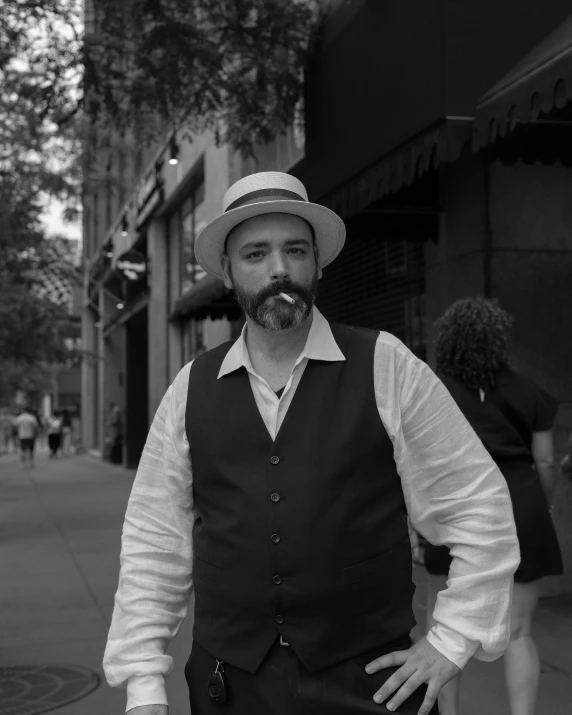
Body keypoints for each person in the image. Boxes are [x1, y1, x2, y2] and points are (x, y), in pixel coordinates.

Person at [103, 172, 520, 715]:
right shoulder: (190, 388)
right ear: (228, 274)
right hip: (231, 687)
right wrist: (143, 685)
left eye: (294, 250)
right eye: (256, 253)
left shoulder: (386, 364)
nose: (279, 268)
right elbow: (153, 540)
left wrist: (452, 639)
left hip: (371, 684)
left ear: (317, 263)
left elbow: (477, 502)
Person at [423, 297, 563, 715]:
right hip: (520, 507)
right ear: (499, 340)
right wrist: (544, 506)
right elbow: (545, 461)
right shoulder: (529, 392)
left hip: (455, 512)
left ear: (448, 341)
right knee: (519, 633)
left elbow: (421, 461)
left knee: (441, 630)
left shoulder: (434, 390)